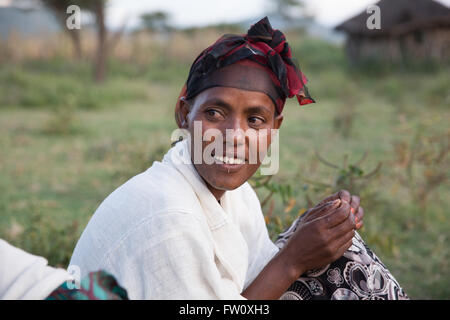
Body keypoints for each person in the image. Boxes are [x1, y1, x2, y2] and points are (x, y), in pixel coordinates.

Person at [69, 17, 406, 300]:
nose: (234, 136)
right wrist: (292, 260)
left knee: (343, 255)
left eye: (255, 120)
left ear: (274, 129)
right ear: (184, 115)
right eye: (215, 113)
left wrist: (322, 227)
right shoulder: (169, 220)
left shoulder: (236, 194)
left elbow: (252, 280)